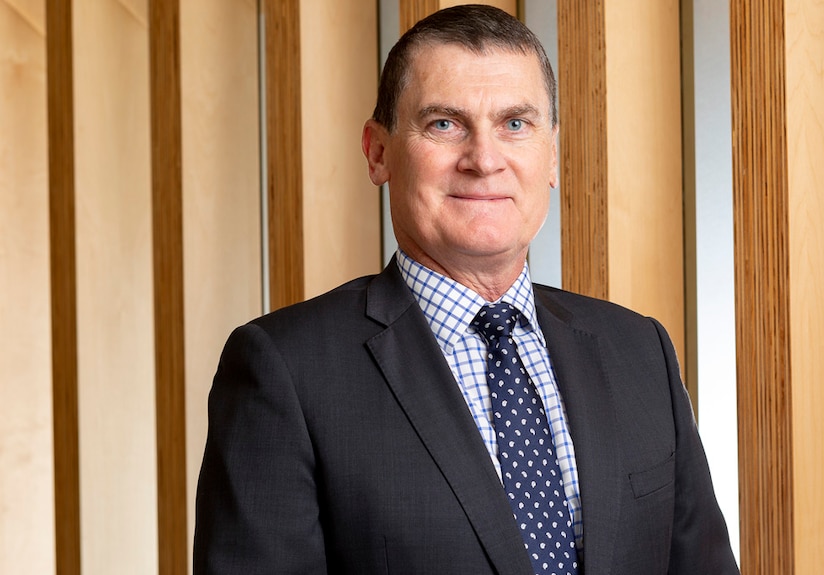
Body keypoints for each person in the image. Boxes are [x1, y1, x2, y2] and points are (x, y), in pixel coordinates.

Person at [193, 4, 739, 574]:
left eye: (515, 124)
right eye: (444, 124)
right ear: (378, 152)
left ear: (551, 153)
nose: (484, 160)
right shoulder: (284, 370)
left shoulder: (639, 351)